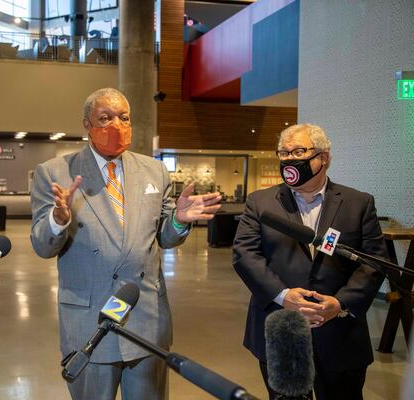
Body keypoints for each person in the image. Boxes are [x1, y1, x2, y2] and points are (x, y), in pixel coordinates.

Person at [30, 87, 222, 400]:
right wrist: (58, 218)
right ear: (87, 125)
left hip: (146, 317)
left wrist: (179, 220)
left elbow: (164, 236)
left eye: (124, 117)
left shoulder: (154, 170)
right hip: (88, 320)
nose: (116, 126)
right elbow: (43, 246)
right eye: (105, 118)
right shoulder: (54, 173)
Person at [233, 124, 387, 399]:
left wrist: (340, 303)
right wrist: (283, 296)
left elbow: (374, 262)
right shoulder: (261, 202)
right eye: (284, 153)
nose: (290, 159)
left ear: (323, 157)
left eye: (299, 151)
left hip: (340, 333)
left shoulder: (358, 203)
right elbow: (245, 254)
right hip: (281, 329)